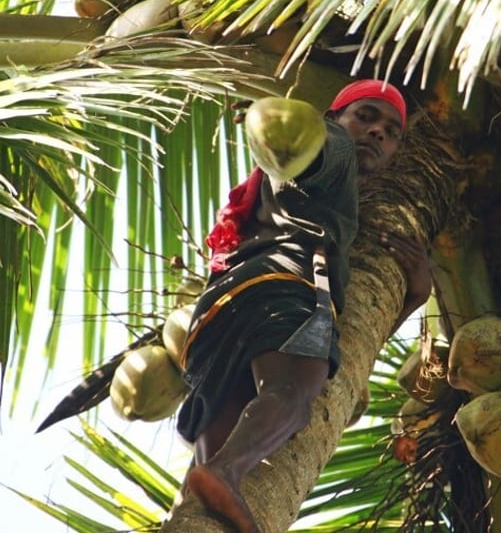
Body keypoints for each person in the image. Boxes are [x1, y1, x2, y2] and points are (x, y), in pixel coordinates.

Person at [170, 79, 432, 532]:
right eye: (365, 117)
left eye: (391, 132)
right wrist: (291, 134)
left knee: (223, 435)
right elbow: (316, 155)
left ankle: (213, 486)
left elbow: (350, 343)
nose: (377, 133)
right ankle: (225, 473)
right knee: (293, 394)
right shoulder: (333, 147)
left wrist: (413, 297)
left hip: (220, 309)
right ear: (333, 118)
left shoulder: (277, 194)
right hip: (288, 281)